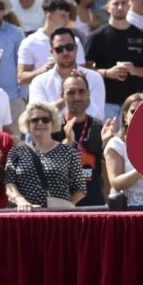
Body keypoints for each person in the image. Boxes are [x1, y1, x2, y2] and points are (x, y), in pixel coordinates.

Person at [87, 0, 143, 122]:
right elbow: (85, 70)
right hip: (105, 102)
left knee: (134, 141)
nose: (120, 7)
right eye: (115, 3)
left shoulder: (142, 35)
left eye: (124, 3)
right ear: (108, 7)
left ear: (129, 5)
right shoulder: (96, 37)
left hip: (134, 104)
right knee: (107, 141)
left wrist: (135, 70)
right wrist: (108, 72)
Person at [4, 101, 88, 210]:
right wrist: (20, 200)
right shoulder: (16, 152)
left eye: (45, 120)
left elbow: (80, 189)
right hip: (26, 215)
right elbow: (9, 183)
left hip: (58, 218)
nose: (40, 123)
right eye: (34, 120)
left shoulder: (69, 152)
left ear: (52, 124)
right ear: (28, 125)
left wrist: (64, 207)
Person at [100, 90, 143, 210]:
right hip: (128, 211)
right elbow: (115, 183)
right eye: (133, 112)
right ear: (125, 117)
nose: (138, 116)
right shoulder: (117, 143)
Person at [26, 28, 106, 119]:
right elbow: (36, 115)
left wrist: (84, 89)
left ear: (76, 48)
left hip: (86, 130)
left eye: (69, 47)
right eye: (59, 49)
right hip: (52, 131)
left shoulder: (94, 77)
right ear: (52, 52)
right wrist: (67, 97)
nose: (65, 52)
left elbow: (98, 115)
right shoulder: (39, 81)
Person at [54, 72, 106, 207]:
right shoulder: (52, 128)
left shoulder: (99, 127)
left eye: (81, 91)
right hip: (61, 208)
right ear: (62, 96)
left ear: (88, 94)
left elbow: (106, 172)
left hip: (95, 207)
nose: (77, 97)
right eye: (71, 92)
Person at [18, 0, 79, 80]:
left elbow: (82, 71)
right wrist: (43, 70)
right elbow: (21, 78)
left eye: (68, 16)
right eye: (63, 16)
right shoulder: (29, 42)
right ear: (50, 17)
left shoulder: (75, 41)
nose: (67, 20)